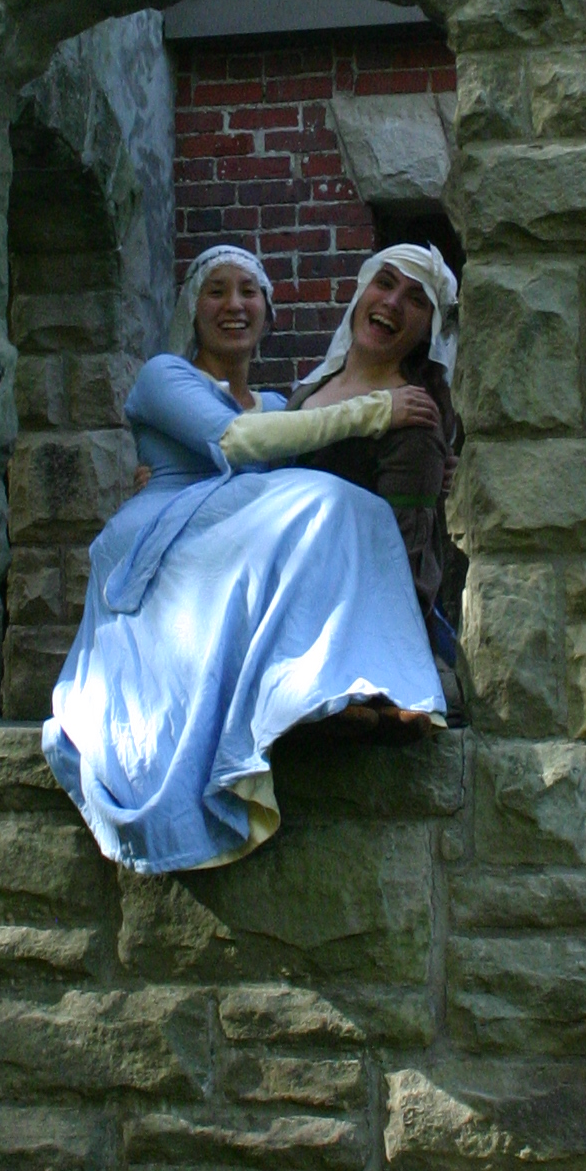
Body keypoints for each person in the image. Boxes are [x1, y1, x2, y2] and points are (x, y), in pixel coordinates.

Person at [43, 244, 447, 875]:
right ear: (192, 308)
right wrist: (376, 410)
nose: (233, 304)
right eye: (217, 290)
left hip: (232, 541)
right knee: (330, 504)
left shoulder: (282, 408)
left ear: (267, 312)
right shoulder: (164, 377)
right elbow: (238, 442)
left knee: (339, 513)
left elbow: (285, 451)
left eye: (248, 292)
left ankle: (326, 685)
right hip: (164, 544)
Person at [289, 246, 461, 620]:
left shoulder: (414, 420)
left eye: (416, 299)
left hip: (340, 620)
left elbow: (404, 573)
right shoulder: (312, 388)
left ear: (428, 330)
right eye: (384, 283)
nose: (392, 302)